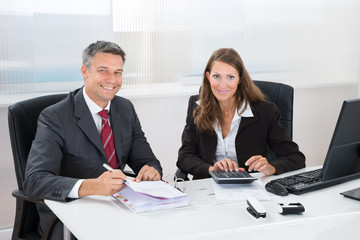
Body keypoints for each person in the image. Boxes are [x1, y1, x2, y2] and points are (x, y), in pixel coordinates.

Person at [24, 41, 162, 239]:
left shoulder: (125, 108)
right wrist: (92, 186)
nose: (111, 79)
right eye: (103, 70)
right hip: (70, 215)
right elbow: (35, 181)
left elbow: (146, 160)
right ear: (85, 71)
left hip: (121, 207)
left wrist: (151, 170)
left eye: (118, 72)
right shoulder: (55, 117)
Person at [177, 48, 305, 179]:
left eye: (230, 77)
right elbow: (185, 156)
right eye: (217, 76)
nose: (222, 85)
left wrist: (271, 167)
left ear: (240, 79)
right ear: (208, 77)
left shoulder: (265, 111)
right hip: (209, 187)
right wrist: (211, 169)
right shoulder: (197, 106)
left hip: (251, 188)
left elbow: (296, 158)